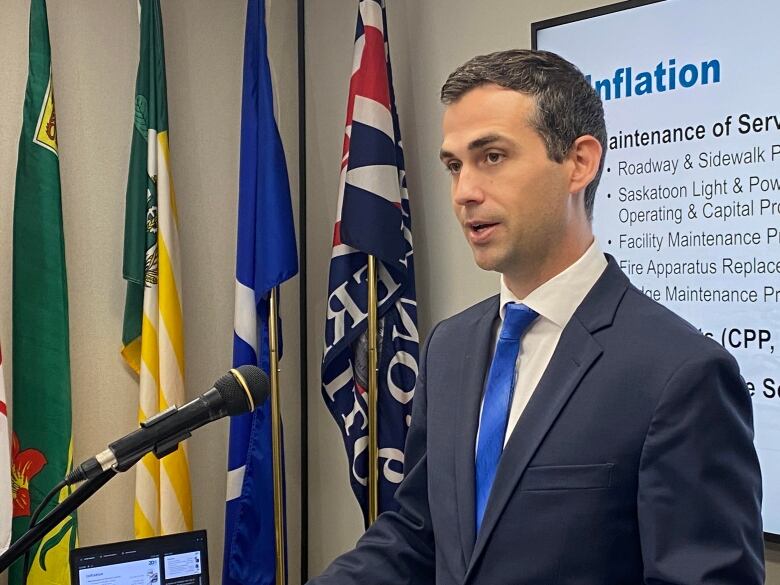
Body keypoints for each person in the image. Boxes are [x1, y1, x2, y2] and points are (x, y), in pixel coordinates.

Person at [309, 49, 764, 584]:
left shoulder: (680, 374)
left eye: (493, 157)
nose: (464, 192)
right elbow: (417, 532)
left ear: (579, 163)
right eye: (455, 165)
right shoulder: (449, 348)